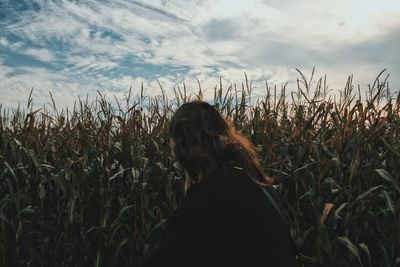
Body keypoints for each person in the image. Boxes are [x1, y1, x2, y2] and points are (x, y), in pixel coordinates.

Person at [143, 100, 298, 267]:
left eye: (179, 160)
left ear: (186, 150)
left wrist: (191, 197)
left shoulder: (211, 196)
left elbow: (163, 259)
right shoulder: (255, 182)